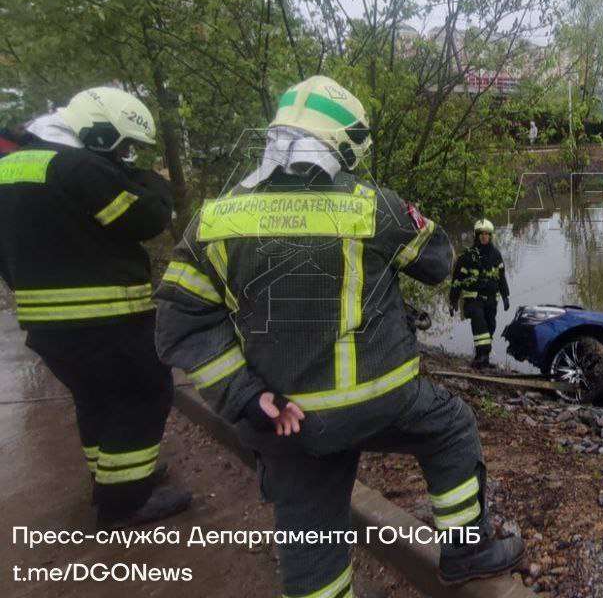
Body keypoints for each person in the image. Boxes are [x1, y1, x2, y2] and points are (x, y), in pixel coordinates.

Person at [153, 76, 523, 595]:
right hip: (384, 401)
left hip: (286, 421)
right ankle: (466, 550)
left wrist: (246, 395)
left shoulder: (212, 222)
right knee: (451, 428)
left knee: (310, 537)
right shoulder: (372, 206)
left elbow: (178, 323)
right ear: (343, 144)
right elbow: (439, 261)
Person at [0, 87, 190, 527]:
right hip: (106, 320)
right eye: (124, 147)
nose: (126, 155)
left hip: (46, 325)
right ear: (99, 133)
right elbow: (145, 219)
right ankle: (125, 504)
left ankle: (111, 479)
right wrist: (154, 180)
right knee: (142, 394)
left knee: (94, 398)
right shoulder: (79, 167)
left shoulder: (10, 168)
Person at [448, 219, 510, 370]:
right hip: (473, 300)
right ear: (476, 236)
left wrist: (505, 295)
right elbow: (457, 280)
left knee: (490, 327)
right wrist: (453, 300)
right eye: (481, 234)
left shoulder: (496, 255)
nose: (484, 237)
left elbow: (501, 276)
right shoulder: (467, 257)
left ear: (491, 236)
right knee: (480, 325)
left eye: (487, 234)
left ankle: (482, 358)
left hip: (491, 300)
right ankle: (483, 356)